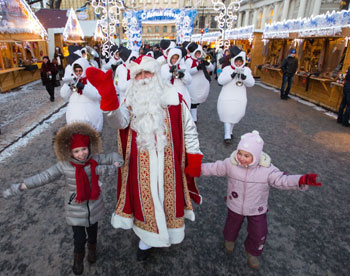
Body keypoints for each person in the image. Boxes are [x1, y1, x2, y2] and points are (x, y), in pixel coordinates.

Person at [85, 55, 203, 261]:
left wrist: (194, 158)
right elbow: (119, 123)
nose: (143, 77)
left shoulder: (175, 99)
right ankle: (148, 238)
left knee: (168, 198)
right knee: (145, 200)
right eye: (138, 74)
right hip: (140, 165)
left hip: (169, 164)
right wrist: (109, 99)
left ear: (156, 74)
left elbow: (189, 130)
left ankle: (167, 231)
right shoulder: (130, 101)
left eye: (147, 72)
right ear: (133, 78)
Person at [2, 122, 124, 275]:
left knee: (93, 233)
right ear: (69, 152)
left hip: (94, 205)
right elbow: (45, 176)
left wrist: (118, 160)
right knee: (79, 238)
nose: (82, 154)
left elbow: (111, 156)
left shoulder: (95, 159)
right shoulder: (64, 166)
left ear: (89, 148)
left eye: (84, 149)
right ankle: (78, 259)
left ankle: (92, 250)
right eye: (77, 151)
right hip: (75, 208)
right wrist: (22, 186)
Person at [200, 130, 322, 269]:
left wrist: (301, 180)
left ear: (256, 156)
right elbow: (214, 168)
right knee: (231, 225)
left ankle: (252, 251)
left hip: (257, 208)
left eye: (247, 155)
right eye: (240, 153)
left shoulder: (267, 170)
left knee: (259, 232)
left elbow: (283, 180)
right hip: (235, 204)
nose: (241, 158)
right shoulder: (231, 164)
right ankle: (229, 239)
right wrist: (196, 168)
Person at [217, 46, 255, 144]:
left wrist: (244, 78)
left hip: (239, 97)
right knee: (227, 114)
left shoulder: (246, 70)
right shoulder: (227, 69)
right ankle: (227, 135)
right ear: (233, 61)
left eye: (240, 62)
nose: (238, 64)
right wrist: (231, 76)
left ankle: (230, 131)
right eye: (237, 61)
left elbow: (251, 83)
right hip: (227, 96)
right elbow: (220, 81)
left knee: (235, 114)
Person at [60, 53, 103, 132]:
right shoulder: (73, 78)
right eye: (76, 71)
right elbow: (63, 95)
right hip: (74, 116)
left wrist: (83, 87)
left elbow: (98, 95)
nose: (78, 73)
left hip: (90, 117)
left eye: (80, 71)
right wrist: (68, 85)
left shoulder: (92, 79)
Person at [185, 42, 215, 123]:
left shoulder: (205, 58)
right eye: (196, 53)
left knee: (197, 101)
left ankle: (193, 115)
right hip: (193, 84)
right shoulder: (189, 60)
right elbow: (188, 72)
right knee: (193, 101)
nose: (198, 55)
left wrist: (207, 64)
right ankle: (194, 119)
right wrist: (197, 68)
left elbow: (212, 68)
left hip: (202, 83)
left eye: (199, 53)